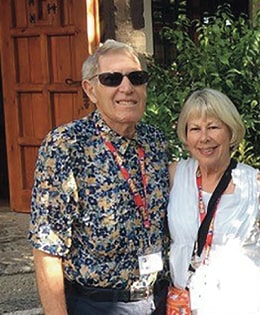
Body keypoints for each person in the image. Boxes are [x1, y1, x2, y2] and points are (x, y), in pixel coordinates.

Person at [28, 39, 169, 315]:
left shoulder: (155, 142)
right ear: (90, 90)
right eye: (111, 79)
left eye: (136, 78)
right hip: (96, 305)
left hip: (158, 300)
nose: (126, 88)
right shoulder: (66, 145)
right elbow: (47, 246)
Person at [167, 88, 260, 315]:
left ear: (230, 131)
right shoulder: (176, 176)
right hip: (187, 306)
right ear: (186, 136)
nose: (204, 137)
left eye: (213, 127)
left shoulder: (255, 185)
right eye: (195, 128)